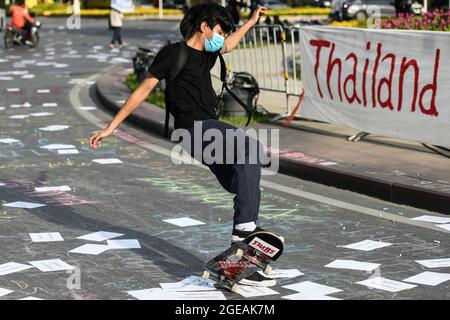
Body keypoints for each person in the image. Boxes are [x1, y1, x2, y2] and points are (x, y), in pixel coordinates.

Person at [89, 3, 281, 287]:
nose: (221, 37)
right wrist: (111, 127)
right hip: (193, 130)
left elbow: (230, 43)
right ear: (204, 26)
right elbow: (142, 91)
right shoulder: (172, 54)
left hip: (207, 133)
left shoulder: (210, 52)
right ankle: (244, 232)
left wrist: (251, 21)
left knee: (243, 180)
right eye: (218, 30)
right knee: (250, 147)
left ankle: (240, 261)